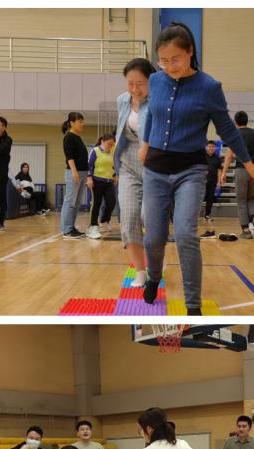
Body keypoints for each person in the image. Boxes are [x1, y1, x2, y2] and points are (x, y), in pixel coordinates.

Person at [138, 24, 254, 315]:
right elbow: (153, 113)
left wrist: (248, 162)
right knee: (153, 237)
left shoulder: (209, 87)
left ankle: (193, 305)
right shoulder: (156, 81)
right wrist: (145, 142)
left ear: (190, 52)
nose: (169, 66)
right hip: (155, 170)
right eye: (163, 60)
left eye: (176, 59)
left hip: (190, 171)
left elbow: (227, 129)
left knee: (185, 234)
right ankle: (154, 277)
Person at [114, 58, 156, 286]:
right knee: (129, 218)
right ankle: (140, 270)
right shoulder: (122, 100)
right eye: (130, 83)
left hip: (154, 165)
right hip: (128, 163)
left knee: (148, 217)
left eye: (140, 83)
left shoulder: (158, 100)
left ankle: (156, 263)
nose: (134, 89)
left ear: (151, 81)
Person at [218, 111, 254, 239]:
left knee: (241, 200)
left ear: (235, 122)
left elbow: (229, 155)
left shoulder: (234, 134)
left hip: (241, 170)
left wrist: (224, 173)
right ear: (247, 120)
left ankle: (245, 230)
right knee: (250, 198)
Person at [60, 112, 90, 238]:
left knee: (77, 203)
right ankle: (66, 229)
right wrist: (74, 171)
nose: (82, 124)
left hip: (82, 173)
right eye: (80, 122)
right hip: (74, 172)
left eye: (83, 121)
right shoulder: (69, 137)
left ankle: (71, 227)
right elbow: (69, 156)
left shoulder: (78, 137)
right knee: (70, 201)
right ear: (72, 123)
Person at [87, 133, 118, 239]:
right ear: (102, 141)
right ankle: (93, 226)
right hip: (96, 181)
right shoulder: (95, 151)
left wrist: (115, 176)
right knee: (96, 204)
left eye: (112, 144)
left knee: (111, 202)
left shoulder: (112, 152)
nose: (111, 146)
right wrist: (89, 178)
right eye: (109, 144)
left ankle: (104, 221)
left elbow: (114, 165)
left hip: (109, 182)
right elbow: (89, 165)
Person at [202, 141, 222, 224]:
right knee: (199, 199)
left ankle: (207, 215)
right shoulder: (202, 157)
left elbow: (219, 170)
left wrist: (219, 181)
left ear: (215, 148)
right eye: (209, 146)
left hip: (212, 181)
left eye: (213, 146)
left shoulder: (217, 158)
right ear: (206, 147)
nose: (211, 148)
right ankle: (194, 215)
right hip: (202, 182)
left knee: (210, 199)